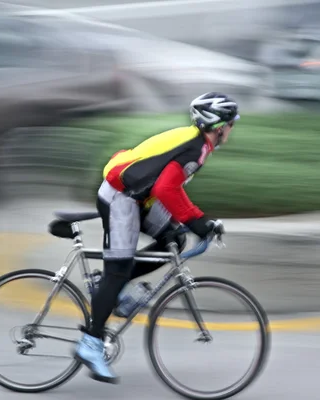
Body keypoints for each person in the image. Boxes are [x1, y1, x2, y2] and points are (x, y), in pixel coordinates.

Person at [73, 92, 239, 384]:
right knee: (117, 270)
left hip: (140, 196)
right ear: (220, 126)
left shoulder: (197, 143)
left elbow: (167, 187)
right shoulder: (196, 148)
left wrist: (196, 221)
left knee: (173, 239)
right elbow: (166, 189)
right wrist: (198, 221)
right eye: (232, 123)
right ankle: (90, 343)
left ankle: (113, 286)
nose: (232, 129)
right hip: (121, 196)